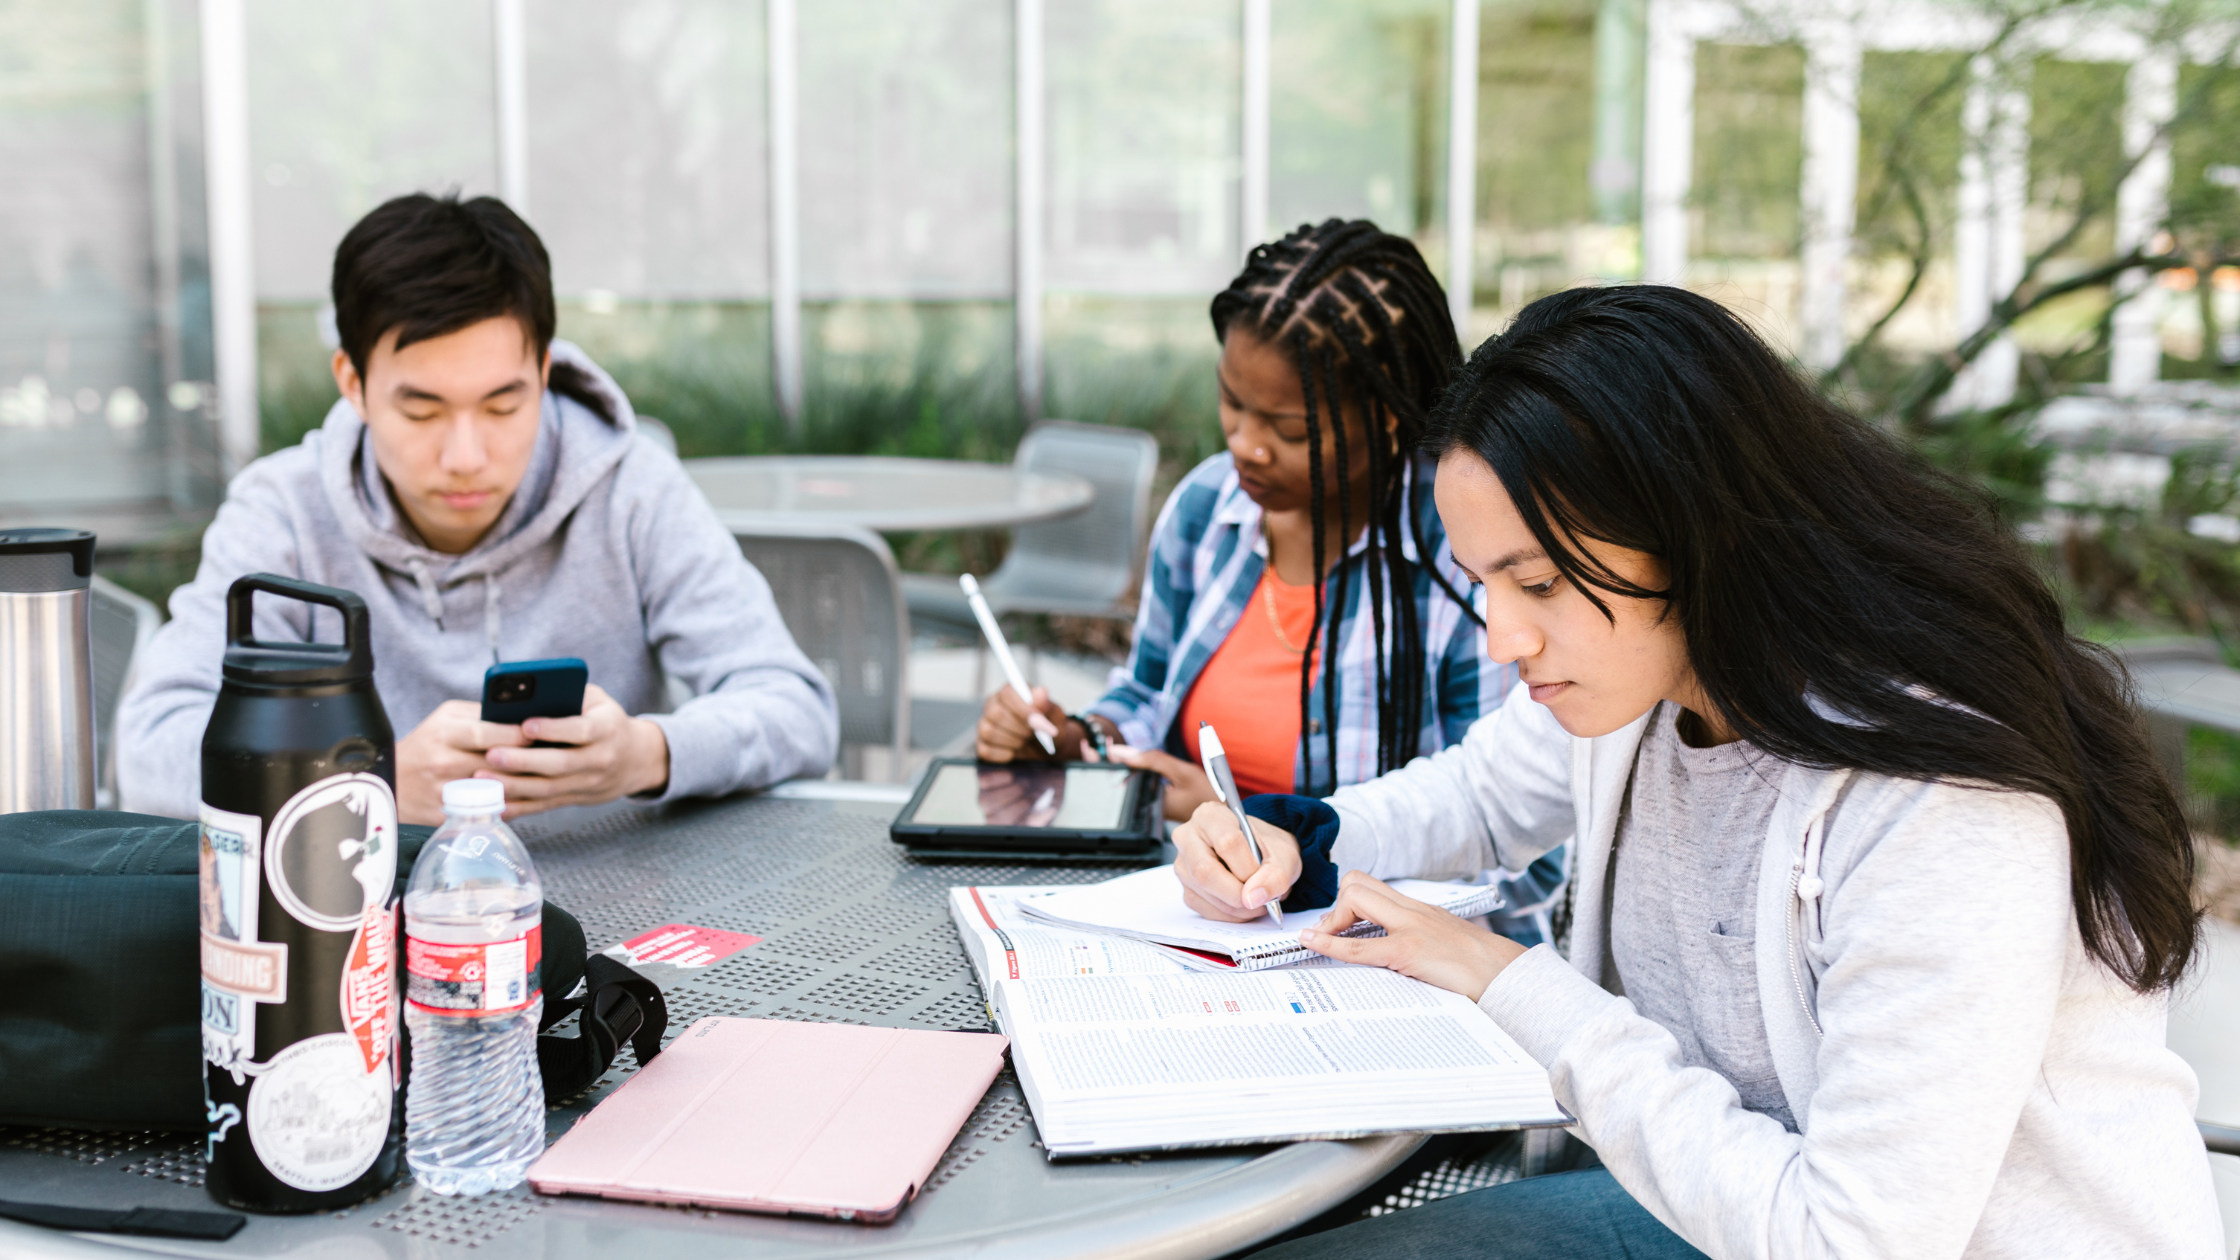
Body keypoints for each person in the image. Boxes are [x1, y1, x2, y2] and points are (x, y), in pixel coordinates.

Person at [1179, 286, 2224, 1258]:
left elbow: (1847, 1241)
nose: (1502, 639)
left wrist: (1508, 982)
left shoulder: (1936, 801)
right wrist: (1292, 838)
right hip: (1722, 1210)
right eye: (1483, 583)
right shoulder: (1649, 675)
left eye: (1536, 582)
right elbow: (1477, 796)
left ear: (1691, 532)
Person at [118, 193, 837, 825]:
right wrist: (370, 783)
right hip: (364, 925)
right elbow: (150, 748)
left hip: (621, 918)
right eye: (422, 409)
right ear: (353, 382)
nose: (466, 455)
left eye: (503, 404)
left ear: (545, 370)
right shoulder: (284, 513)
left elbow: (797, 708)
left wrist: (647, 754)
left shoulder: (631, 489)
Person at [975, 218, 1565, 944]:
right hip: (1198, 926)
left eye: (1288, 429)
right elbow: (1148, 693)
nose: (1244, 445)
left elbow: (1521, 843)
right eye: (1232, 403)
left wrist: (1266, 827)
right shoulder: (1206, 511)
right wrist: (1079, 742)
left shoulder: (1463, 554)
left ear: (1385, 417)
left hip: (1388, 963)